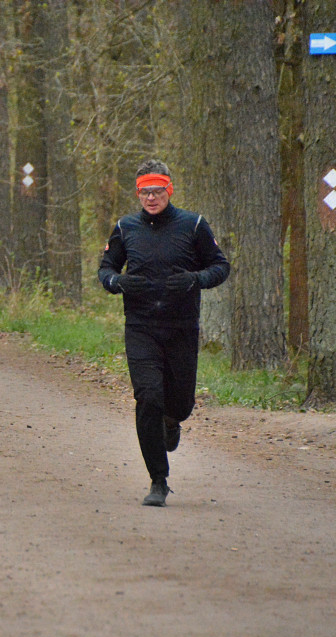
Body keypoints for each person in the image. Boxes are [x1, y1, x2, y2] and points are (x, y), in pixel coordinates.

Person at [98, 159, 230, 507]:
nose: (151, 198)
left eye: (157, 191)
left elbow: (220, 266)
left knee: (180, 404)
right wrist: (118, 282)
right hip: (141, 328)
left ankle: (173, 422)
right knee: (148, 398)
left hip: (181, 328)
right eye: (145, 192)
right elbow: (106, 269)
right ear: (138, 193)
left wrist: (195, 279)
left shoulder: (193, 225)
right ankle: (158, 480)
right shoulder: (125, 228)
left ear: (168, 190)